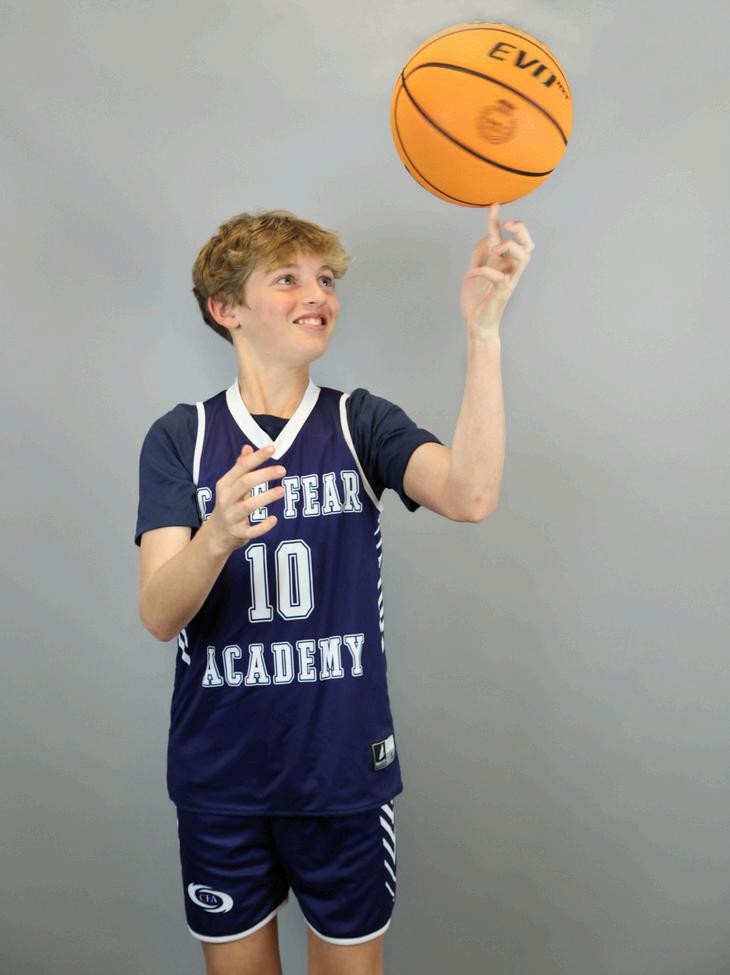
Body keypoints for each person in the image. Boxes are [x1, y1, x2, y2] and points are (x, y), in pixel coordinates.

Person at [135, 205, 531, 975]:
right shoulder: (182, 437)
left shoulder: (360, 422)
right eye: (287, 279)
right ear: (227, 309)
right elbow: (158, 613)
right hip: (221, 776)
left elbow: (471, 494)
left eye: (324, 279)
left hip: (343, 771)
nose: (317, 293)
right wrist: (216, 534)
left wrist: (484, 334)